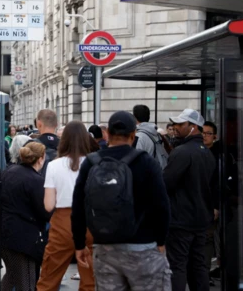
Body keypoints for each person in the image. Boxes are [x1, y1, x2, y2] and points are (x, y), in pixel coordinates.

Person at [72, 111, 171, 290]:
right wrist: (161, 241)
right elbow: (162, 205)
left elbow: (78, 207)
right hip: (143, 247)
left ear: (107, 134)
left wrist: (79, 244)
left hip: (105, 248)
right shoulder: (146, 162)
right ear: (133, 135)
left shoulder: (91, 162)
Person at [37, 121, 95, 291]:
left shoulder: (54, 165)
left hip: (63, 223)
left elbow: (48, 205)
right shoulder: (94, 163)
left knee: (49, 278)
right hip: (90, 221)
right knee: (90, 280)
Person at [164, 109, 218, 291]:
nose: (176, 127)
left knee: (177, 267)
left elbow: (166, 183)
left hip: (181, 221)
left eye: (181, 124)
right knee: (198, 266)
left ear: (193, 127)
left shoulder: (182, 152)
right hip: (201, 220)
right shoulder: (207, 153)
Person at [1, 142, 50, 291]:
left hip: (4, 233)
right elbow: (44, 211)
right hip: (24, 238)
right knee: (26, 282)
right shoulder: (35, 180)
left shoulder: (8, 172)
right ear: (40, 159)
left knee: (12, 276)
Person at [202, 120, 221, 286]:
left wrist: (216, 205)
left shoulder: (217, 155)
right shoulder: (198, 152)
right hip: (197, 204)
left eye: (208, 133)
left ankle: (205, 271)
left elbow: (216, 184)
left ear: (214, 136)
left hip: (212, 205)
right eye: (203, 133)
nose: (205, 136)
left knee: (209, 240)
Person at [132, 104, 169, 169]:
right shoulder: (156, 134)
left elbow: (136, 161)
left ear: (134, 118)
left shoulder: (138, 136)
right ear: (148, 117)